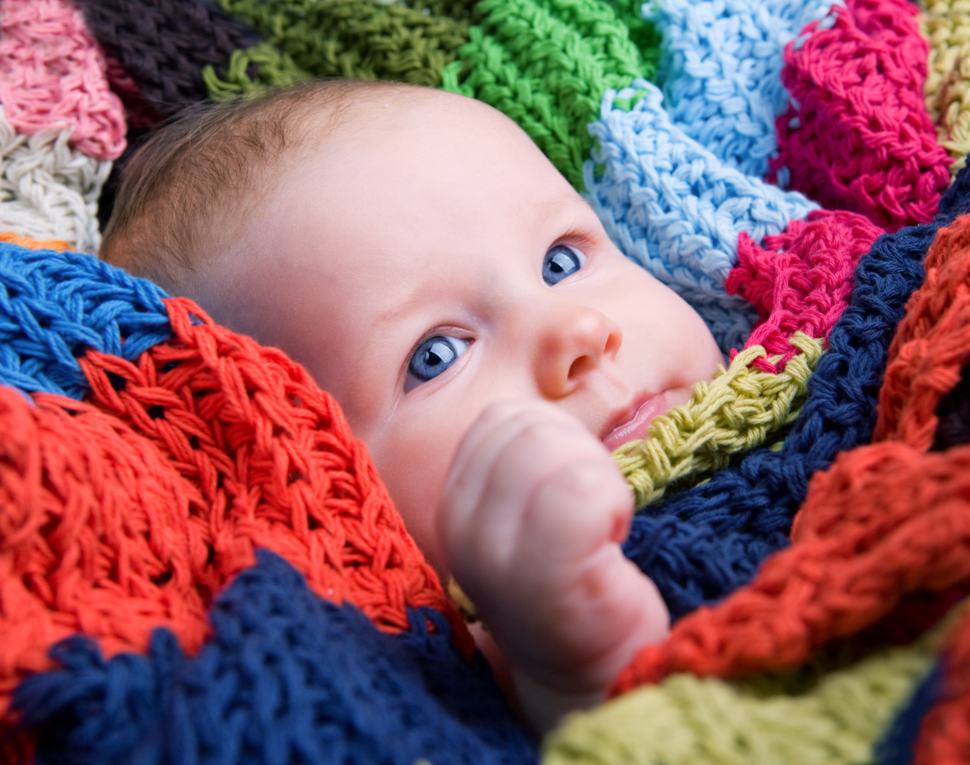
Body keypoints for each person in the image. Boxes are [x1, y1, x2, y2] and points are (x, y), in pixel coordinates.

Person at [100, 79, 727, 733]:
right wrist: (561, 665)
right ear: (331, 503)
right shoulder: (482, 649)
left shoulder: (815, 366)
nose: (576, 333)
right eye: (436, 355)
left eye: (561, 261)